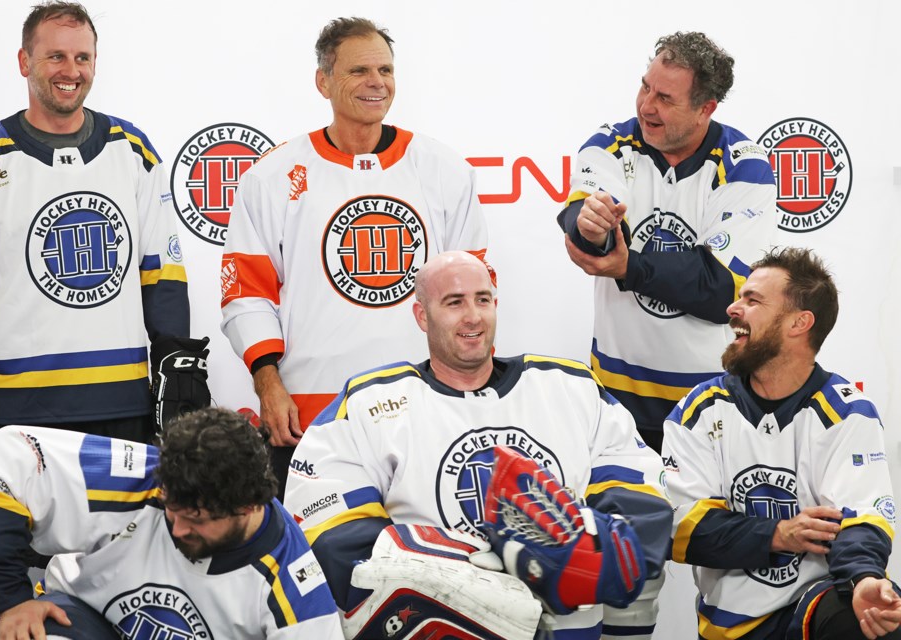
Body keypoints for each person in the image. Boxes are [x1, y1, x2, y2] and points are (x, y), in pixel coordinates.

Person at [0, 2, 209, 635]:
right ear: (24, 61)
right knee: (8, 606)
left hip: (121, 417)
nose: (70, 70)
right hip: (13, 422)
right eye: (55, 55)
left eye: (82, 57)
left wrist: (177, 362)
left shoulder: (133, 150)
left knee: (121, 592)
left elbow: (162, 273)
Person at [283, 251, 672, 638]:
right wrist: (457, 573)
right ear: (422, 316)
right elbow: (327, 530)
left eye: (482, 299)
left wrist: (599, 550)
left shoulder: (572, 387)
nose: (472, 316)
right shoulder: (369, 403)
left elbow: (641, 493)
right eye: (454, 302)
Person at [221, 17, 491, 500]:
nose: (377, 83)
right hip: (312, 414)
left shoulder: (444, 169)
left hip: (424, 409)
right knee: (316, 562)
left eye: (386, 71)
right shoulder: (272, 176)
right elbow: (246, 293)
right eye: (359, 71)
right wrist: (268, 385)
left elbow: (470, 294)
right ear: (323, 81)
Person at [663, 247, 901, 639]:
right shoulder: (698, 410)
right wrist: (777, 533)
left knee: (870, 619)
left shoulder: (848, 413)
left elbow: (863, 519)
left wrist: (863, 579)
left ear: (799, 323)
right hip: (728, 626)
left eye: (752, 300)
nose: (732, 309)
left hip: (810, 608)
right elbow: (679, 527)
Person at [556, 31, 777, 454]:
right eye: (645, 86)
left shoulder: (745, 168)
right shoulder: (610, 145)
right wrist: (591, 229)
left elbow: (719, 292)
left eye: (665, 98)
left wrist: (626, 266)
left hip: (712, 409)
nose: (646, 106)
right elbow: (585, 230)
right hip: (616, 406)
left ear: (705, 109)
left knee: (705, 522)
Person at [0, 407, 343, 639]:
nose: (178, 529)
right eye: (172, 508)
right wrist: (11, 601)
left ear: (247, 508)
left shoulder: (294, 584)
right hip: (83, 618)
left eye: (197, 519)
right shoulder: (139, 478)